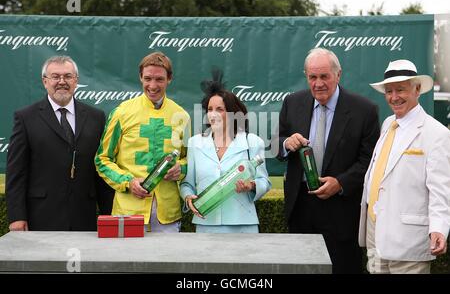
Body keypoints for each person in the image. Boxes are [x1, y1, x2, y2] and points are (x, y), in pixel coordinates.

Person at [276, 48, 380, 273]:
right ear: (306, 76)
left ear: (338, 74)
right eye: (312, 77)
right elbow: (276, 144)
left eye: (324, 76)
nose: (318, 83)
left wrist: (340, 183)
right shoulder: (292, 103)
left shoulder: (365, 110)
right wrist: (286, 144)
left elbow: (369, 161)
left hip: (342, 212)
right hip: (300, 208)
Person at [358, 59, 450, 274]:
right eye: (389, 91)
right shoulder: (388, 123)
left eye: (400, 89)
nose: (394, 97)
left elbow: (441, 190)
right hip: (376, 235)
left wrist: (439, 228)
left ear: (417, 89)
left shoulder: (437, 134)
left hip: (409, 242)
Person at [6, 55, 114, 231]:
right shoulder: (26, 118)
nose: (62, 81)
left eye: (68, 76)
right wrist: (17, 217)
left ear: (76, 80)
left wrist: (110, 216)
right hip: (41, 217)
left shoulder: (96, 117)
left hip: (84, 217)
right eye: (55, 76)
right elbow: (16, 173)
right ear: (45, 81)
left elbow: (101, 171)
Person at [95, 51, 190, 233]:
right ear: (140, 78)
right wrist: (128, 182)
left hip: (167, 216)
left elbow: (188, 160)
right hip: (128, 212)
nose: (152, 85)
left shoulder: (182, 116)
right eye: (147, 78)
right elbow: (102, 160)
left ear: (169, 79)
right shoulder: (121, 112)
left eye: (159, 79)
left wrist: (181, 168)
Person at [180, 69, 271, 233]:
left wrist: (251, 185)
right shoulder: (195, 143)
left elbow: (264, 182)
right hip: (205, 224)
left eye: (219, 109)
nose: (213, 115)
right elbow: (187, 183)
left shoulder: (253, 142)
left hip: (243, 226)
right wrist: (188, 198)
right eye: (209, 109)